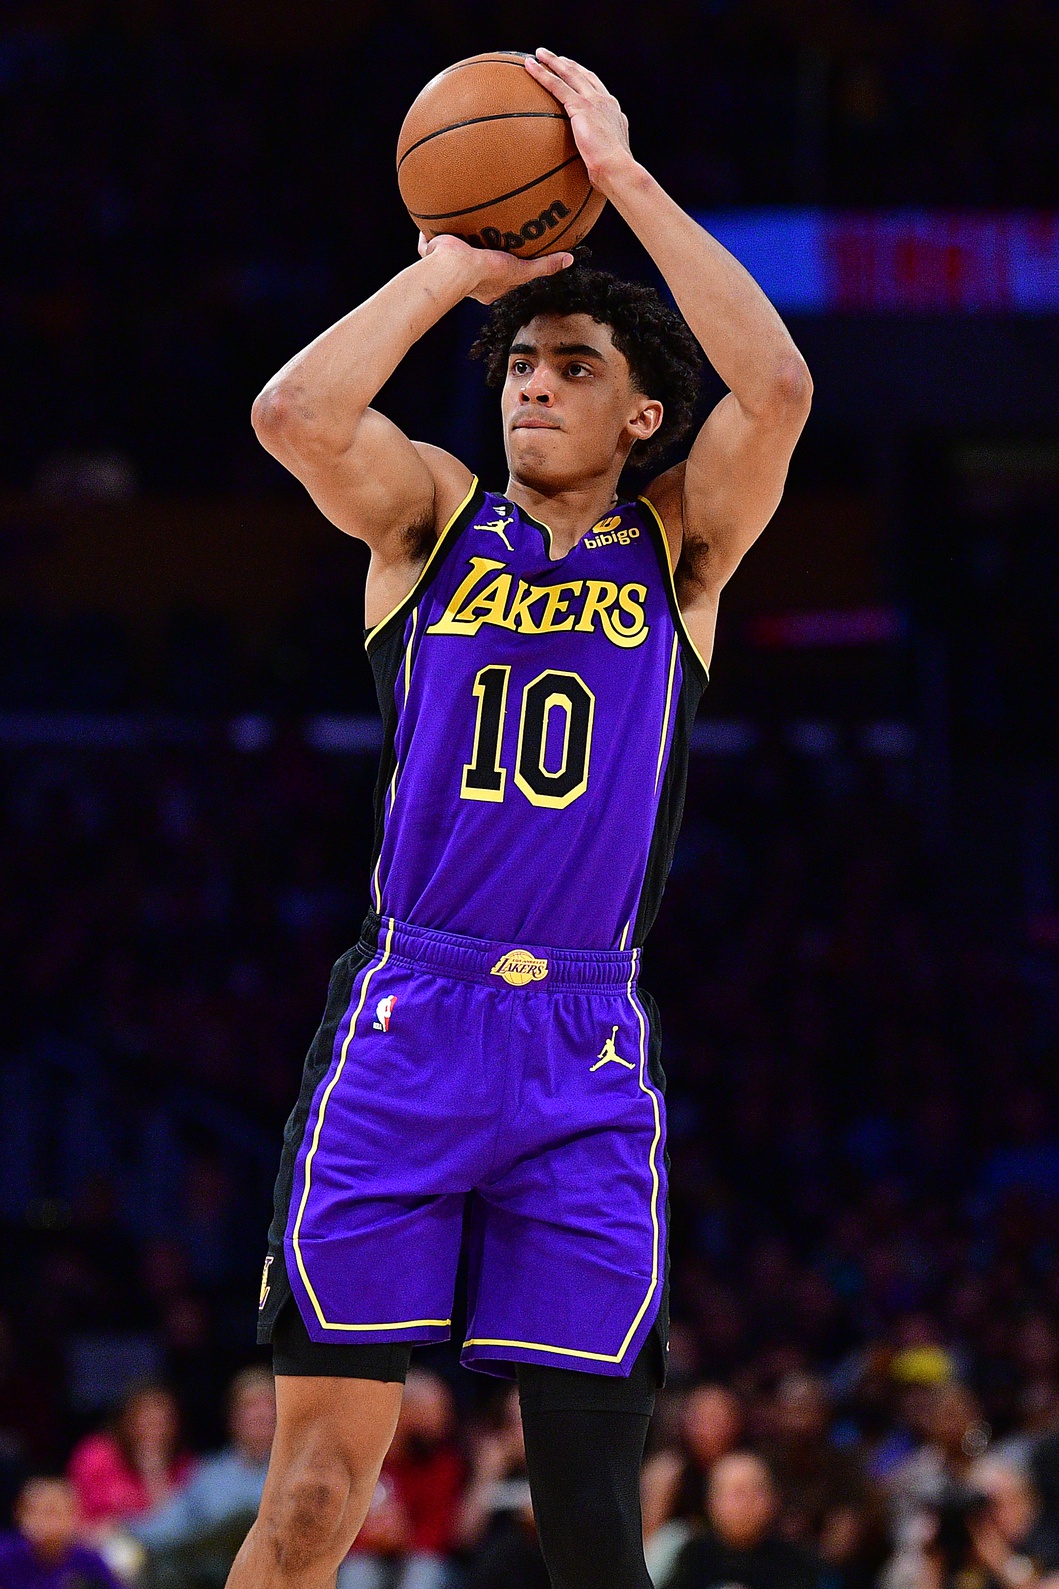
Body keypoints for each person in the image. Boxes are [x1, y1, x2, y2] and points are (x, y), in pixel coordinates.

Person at [238, 44, 810, 1589]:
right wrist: (450, 271)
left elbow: (775, 390)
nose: (533, 385)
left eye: (570, 368)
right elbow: (294, 412)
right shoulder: (427, 516)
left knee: (591, 1535)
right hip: (408, 1019)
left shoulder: (679, 548)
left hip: (581, 1047)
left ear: (639, 420)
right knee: (306, 1509)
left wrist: (617, 181)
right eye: (520, 364)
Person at [130, 1366, 275, 1573]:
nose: (262, 1414)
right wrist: (123, 1529)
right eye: (251, 1406)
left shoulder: (300, 1476)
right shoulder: (208, 1476)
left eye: (270, 1405)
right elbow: (169, 1524)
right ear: (233, 1417)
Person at [666, 1451, 822, 1589]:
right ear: (711, 1502)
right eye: (737, 1494)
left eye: (756, 1491)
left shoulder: (795, 1563)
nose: (746, 1503)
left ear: (774, 1499)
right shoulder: (693, 1556)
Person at [68, 1383, 192, 1537]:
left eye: (162, 1422)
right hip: (101, 1546)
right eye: (146, 1420)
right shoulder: (96, 1455)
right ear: (127, 1420)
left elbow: (176, 1525)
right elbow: (75, 1519)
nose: (154, 1430)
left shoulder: (184, 1464)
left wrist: (154, 1475)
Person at [0, 1475, 123, 1589]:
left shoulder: (88, 1561)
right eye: (33, 1511)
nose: (42, 1521)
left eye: (52, 1512)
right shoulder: (5, 1556)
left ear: (73, 1515)